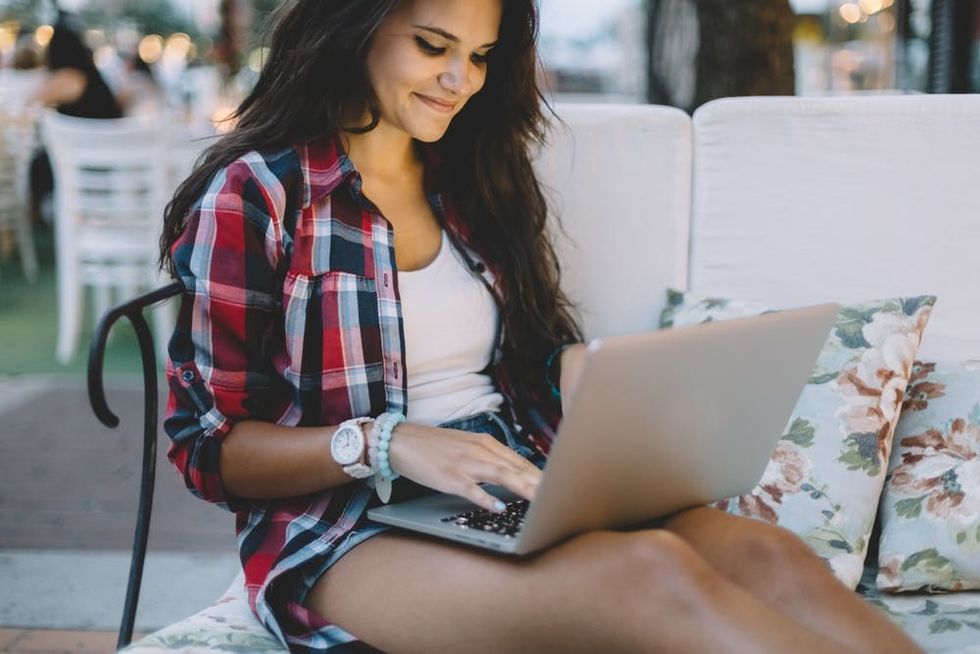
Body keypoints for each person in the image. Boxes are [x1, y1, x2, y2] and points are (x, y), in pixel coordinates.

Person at [159, 1, 924, 652]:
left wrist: (577, 373)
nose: (460, 81)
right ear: (357, 25)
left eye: (481, 56)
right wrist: (385, 440)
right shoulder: (257, 194)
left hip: (517, 475)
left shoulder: (471, 174)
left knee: (770, 556)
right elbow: (209, 449)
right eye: (433, 46)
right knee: (651, 574)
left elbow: (511, 359)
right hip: (345, 528)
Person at [28, 16, 122, 225]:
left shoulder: (69, 77)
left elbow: (31, 100)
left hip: (85, 162)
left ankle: (31, 218)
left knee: (33, 164)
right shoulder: (92, 76)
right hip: (110, 158)